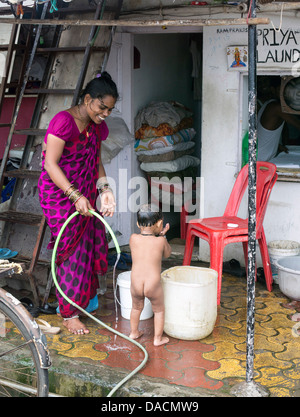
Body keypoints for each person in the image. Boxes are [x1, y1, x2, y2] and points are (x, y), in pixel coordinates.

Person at [38, 72, 118, 335]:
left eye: (110, 109)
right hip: (59, 194)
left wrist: (104, 189)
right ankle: (69, 313)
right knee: (71, 249)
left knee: (90, 242)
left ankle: (85, 301)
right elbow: (50, 164)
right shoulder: (63, 122)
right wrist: (74, 195)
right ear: (87, 99)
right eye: (101, 107)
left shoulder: (96, 126)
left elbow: (95, 160)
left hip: (83, 192)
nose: (105, 113)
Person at [129, 204, 171, 346]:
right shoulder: (160, 241)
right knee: (159, 310)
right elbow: (167, 253)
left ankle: (134, 332)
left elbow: (145, 245)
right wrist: (163, 235)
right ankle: (157, 339)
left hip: (136, 282)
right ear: (160, 223)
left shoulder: (133, 238)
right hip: (152, 283)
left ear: (137, 223)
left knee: (136, 307)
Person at [257, 76, 300, 161]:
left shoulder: (269, 104)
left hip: (263, 158)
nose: (287, 93)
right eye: (282, 90)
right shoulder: (276, 108)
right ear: (273, 90)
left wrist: (278, 146)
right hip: (261, 160)